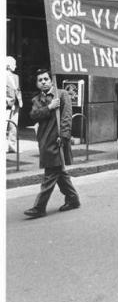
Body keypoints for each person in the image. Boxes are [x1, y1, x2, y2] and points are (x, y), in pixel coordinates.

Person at [24, 69, 80, 218]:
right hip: (44, 140)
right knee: (59, 173)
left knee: (50, 173)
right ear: (37, 83)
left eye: (46, 79)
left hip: (57, 140)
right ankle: (73, 199)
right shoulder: (36, 100)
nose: (43, 82)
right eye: (40, 80)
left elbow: (67, 117)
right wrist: (49, 107)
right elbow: (33, 115)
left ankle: (39, 207)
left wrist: (64, 136)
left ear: (51, 80)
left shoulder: (62, 94)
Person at [6, 56, 23, 153]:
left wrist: (20, 100)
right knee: (3, 126)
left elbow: (18, 89)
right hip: (6, 104)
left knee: (14, 126)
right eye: (14, 64)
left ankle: (12, 147)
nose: (15, 66)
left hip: (16, 104)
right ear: (8, 65)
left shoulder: (16, 77)